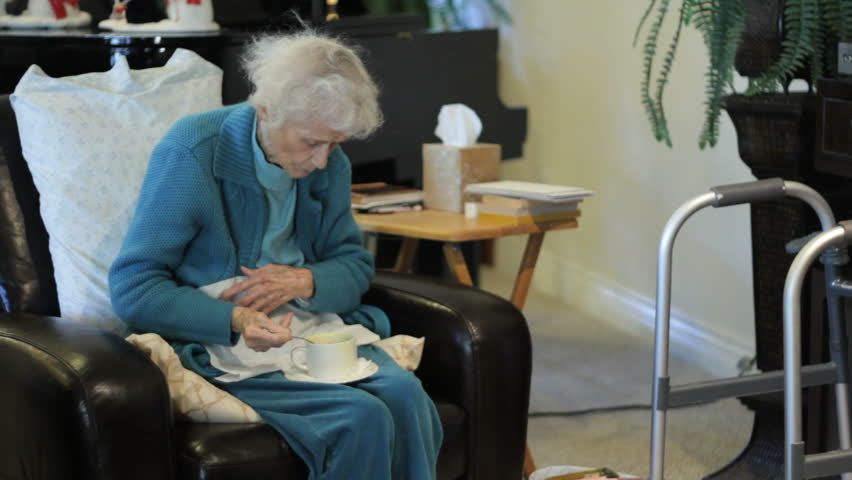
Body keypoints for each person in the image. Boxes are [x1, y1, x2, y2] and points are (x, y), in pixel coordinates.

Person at [108, 28, 443, 480]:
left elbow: (353, 263)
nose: (324, 161)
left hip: (308, 327)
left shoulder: (328, 166)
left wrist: (308, 282)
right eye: (311, 143)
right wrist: (237, 320)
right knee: (359, 418)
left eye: (336, 144)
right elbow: (134, 287)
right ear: (266, 110)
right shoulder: (193, 150)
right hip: (221, 337)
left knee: (407, 397)